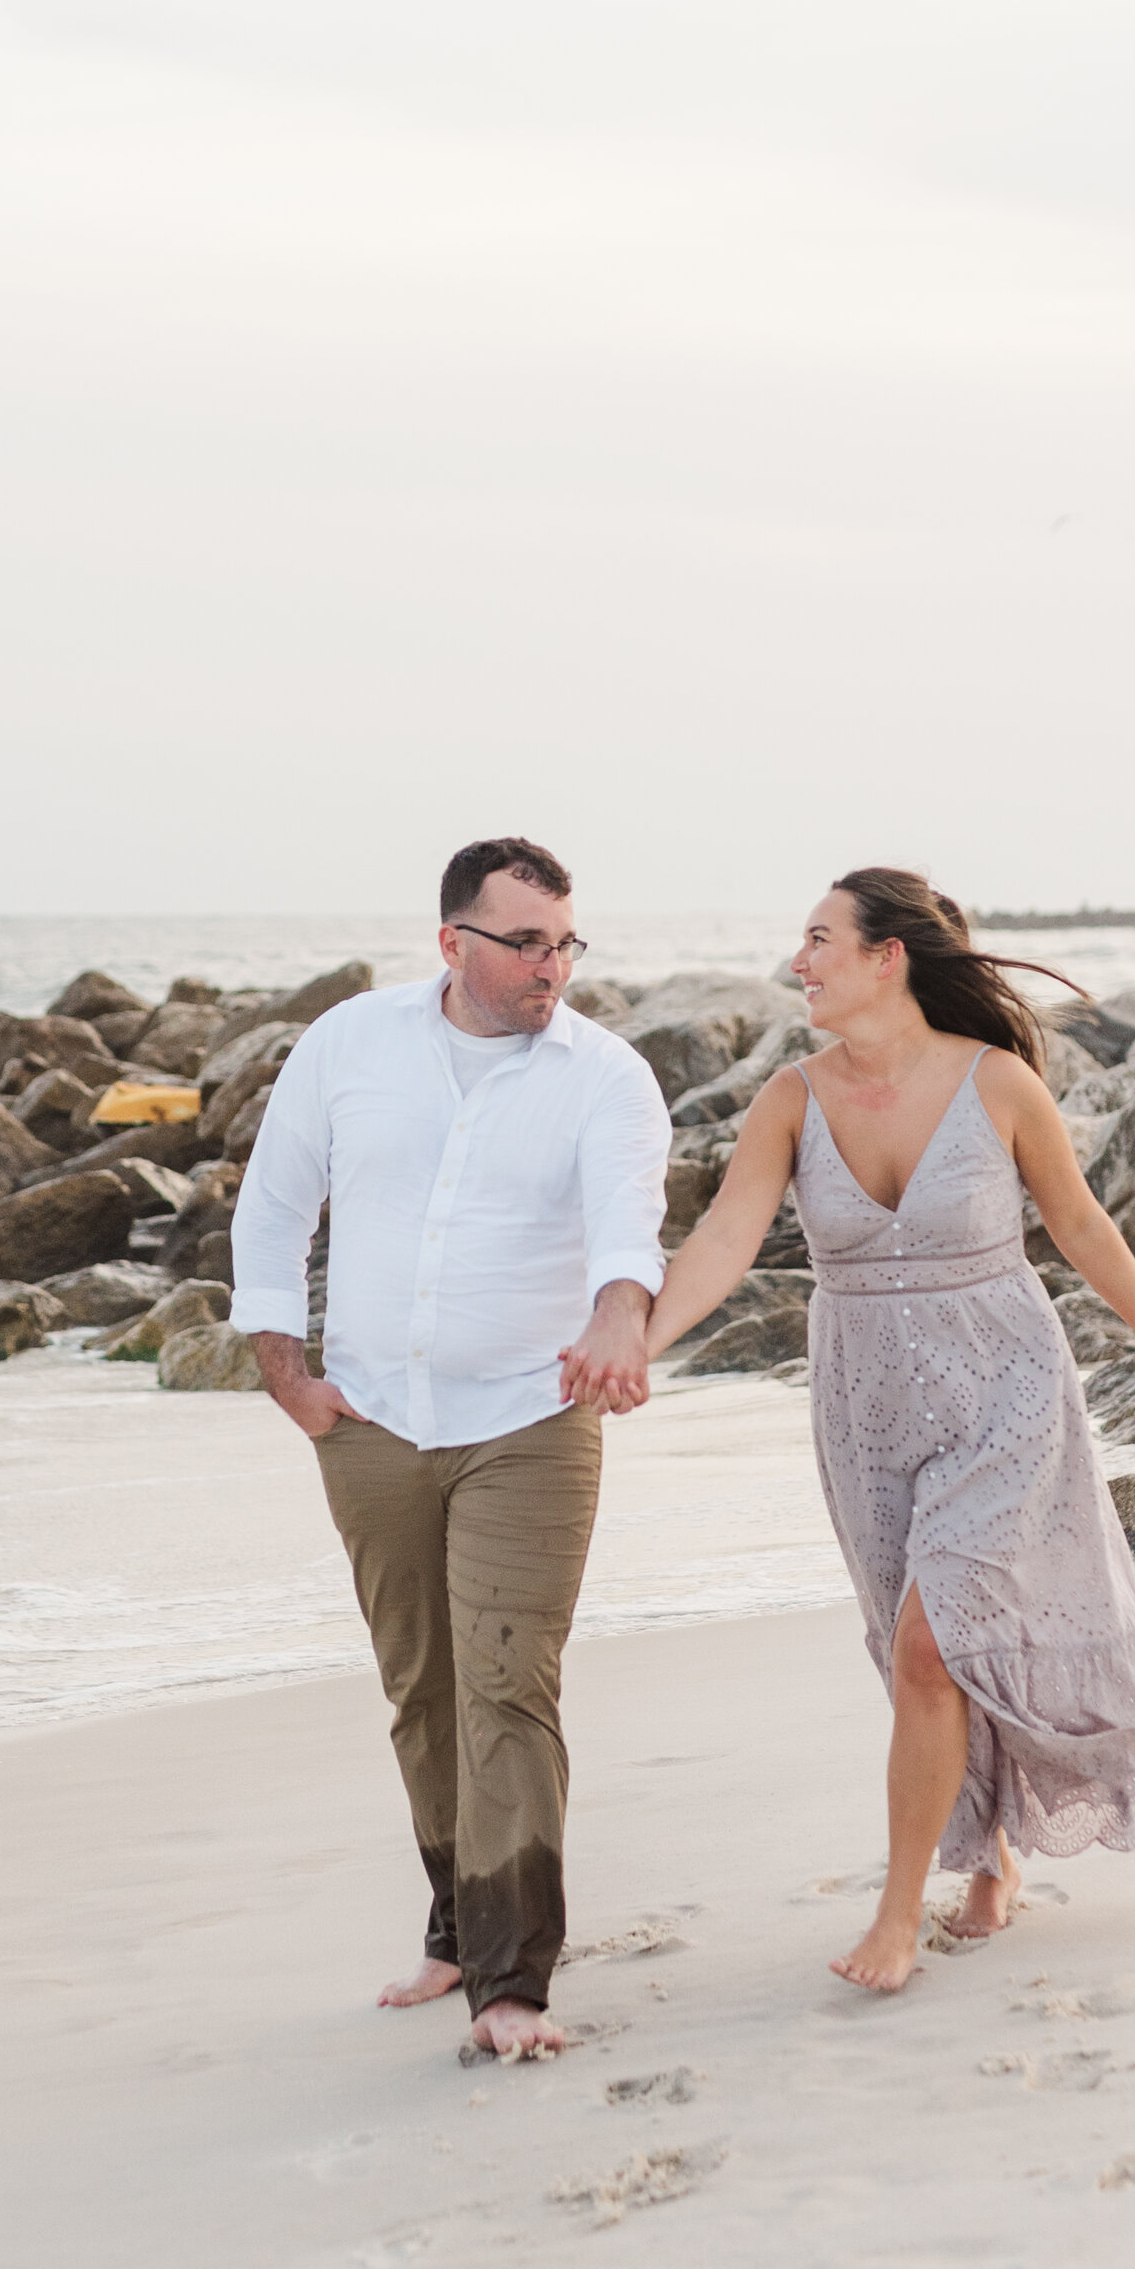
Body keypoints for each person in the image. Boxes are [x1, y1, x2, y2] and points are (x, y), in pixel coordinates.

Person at [645, 868, 1135, 1995]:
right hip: (866, 1408)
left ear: (886, 956)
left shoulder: (997, 1083)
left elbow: (1078, 1220)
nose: (798, 961)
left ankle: (895, 1916)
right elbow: (722, 1239)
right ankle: (989, 1851)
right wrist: (638, 1342)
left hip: (1003, 1391)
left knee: (930, 1635)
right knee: (922, 1649)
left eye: (818, 939)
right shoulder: (790, 1100)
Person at [230, 837, 672, 2057]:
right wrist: (286, 1377)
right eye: (525, 942)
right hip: (367, 1421)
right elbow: (274, 1206)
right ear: (452, 943)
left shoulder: (606, 1078)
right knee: (421, 1689)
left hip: (530, 1421)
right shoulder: (348, 1046)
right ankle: (455, 1924)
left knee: (506, 1686)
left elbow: (625, 1226)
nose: (551, 966)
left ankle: (513, 1979)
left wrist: (617, 1318)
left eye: (565, 941)